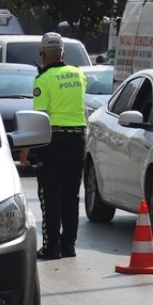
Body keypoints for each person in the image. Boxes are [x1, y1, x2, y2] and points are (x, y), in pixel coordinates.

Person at [32, 32, 87, 260]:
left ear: (43, 55)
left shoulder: (42, 80)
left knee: (50, 195)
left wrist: (27, 149)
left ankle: (51, 247)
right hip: (78, 140)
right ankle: (69, 246)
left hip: (52, 142)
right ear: (63, 53)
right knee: (71, 196)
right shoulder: (79, 75)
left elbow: (39, 118)